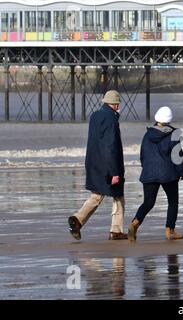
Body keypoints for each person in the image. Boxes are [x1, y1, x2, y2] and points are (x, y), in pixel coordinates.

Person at [68, 90, 128, 241]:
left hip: (93, 162)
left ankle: (78, 219)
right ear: (115, 104)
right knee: (118, 196)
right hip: (108, 164)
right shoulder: (111, 119)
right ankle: (116, 230)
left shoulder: (95, 116)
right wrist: (114, 172)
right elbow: (110, 146)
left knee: (97, 195)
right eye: (118, 103)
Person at [128, 106, 183, 241]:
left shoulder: (147, 135)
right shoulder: (173, 135)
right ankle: (170, 231)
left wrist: (147, 168)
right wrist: (182, 172)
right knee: (173, 202)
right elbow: (178, 157)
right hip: (168, 174)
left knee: (148, 202)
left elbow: (142, 155)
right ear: (169, 120)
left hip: (149, 173)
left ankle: (135, 223)